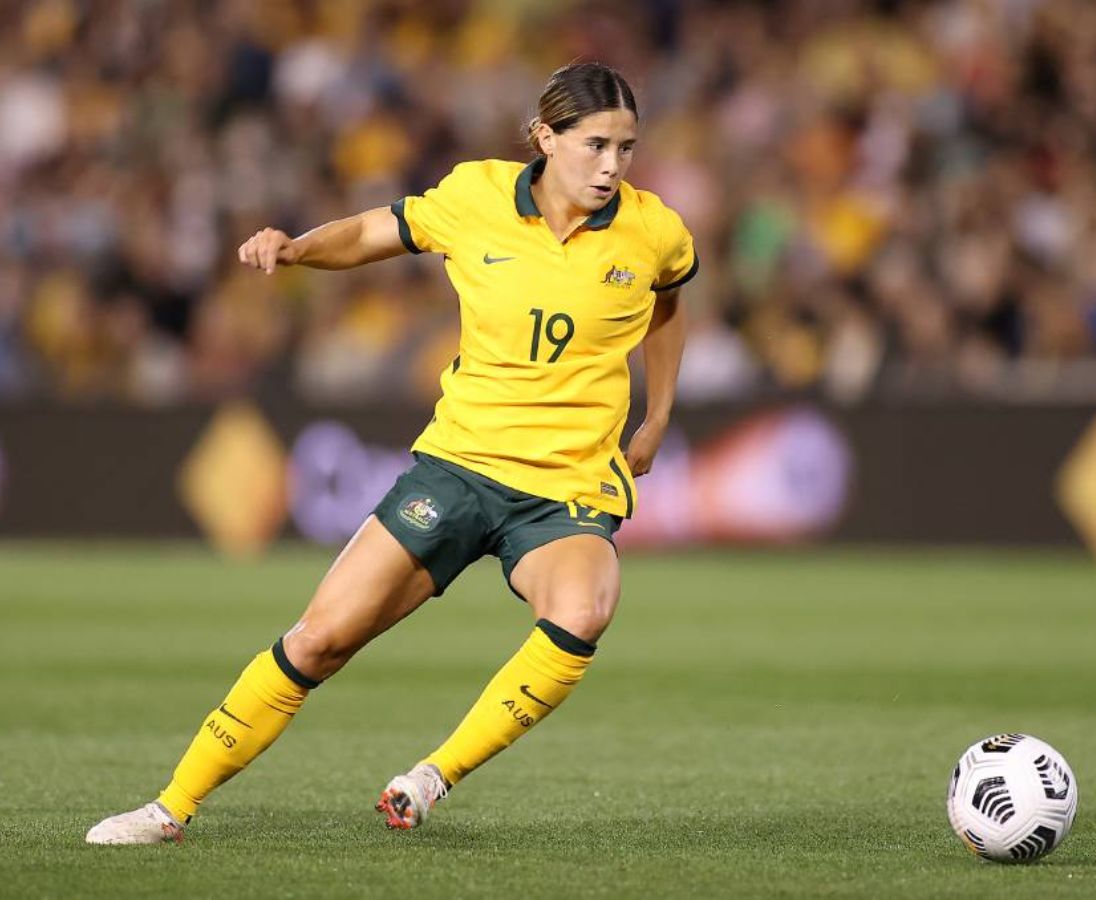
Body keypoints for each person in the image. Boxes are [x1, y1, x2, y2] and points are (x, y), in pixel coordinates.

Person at [86, 61, 697, 844]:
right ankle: (169, 807)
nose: (613, 166)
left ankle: (432, 776)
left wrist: (658, 415)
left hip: (567, 489)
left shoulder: (654, 230)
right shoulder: (476, 195)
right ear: (545, 138)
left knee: (584, 611)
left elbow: (667, 303)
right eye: (596, 145)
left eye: (627, 148)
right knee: (320, 640)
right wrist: (298, 249)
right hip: (460, 467)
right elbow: (376, 231)